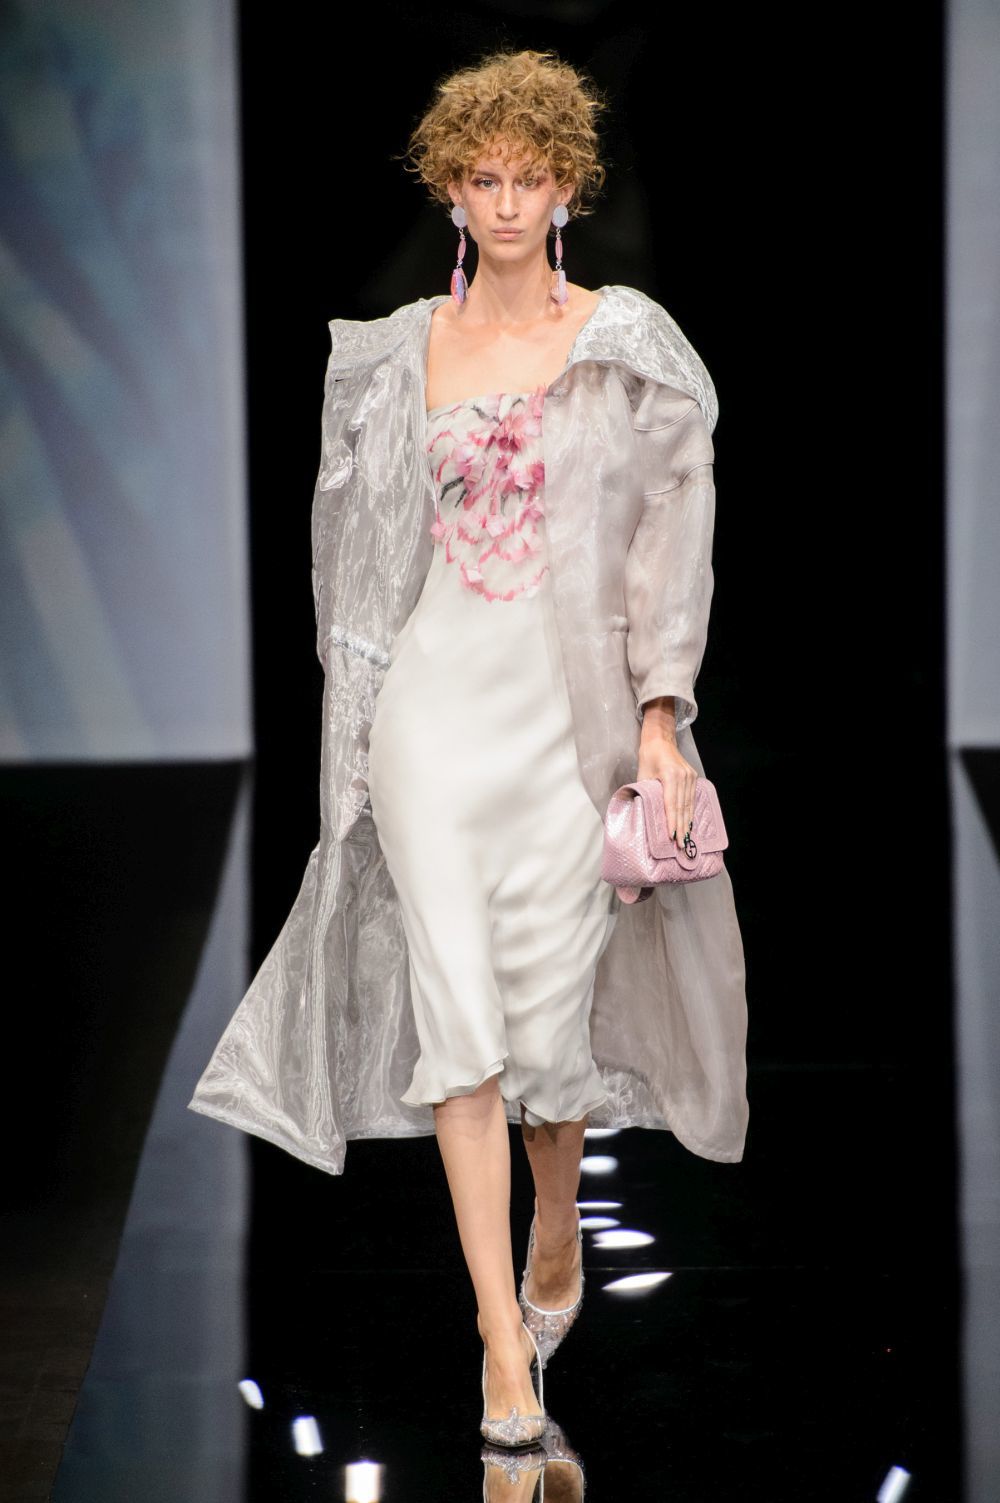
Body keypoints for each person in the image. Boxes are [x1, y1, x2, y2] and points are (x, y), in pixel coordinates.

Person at [189, 47, 749, 1449]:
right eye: (482, 177)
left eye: (529, 177)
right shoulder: (395, 356)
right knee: (461, 1030)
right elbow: (356, 562)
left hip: (565, 729)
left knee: (550, 1039)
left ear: (568, 188)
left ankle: (558, 1214)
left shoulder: (626, 344)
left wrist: (663, 714)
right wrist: (355, 740)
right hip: (432, 721)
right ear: (451, 189)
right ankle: (501, 1343)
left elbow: (672, 542)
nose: (505, 201)